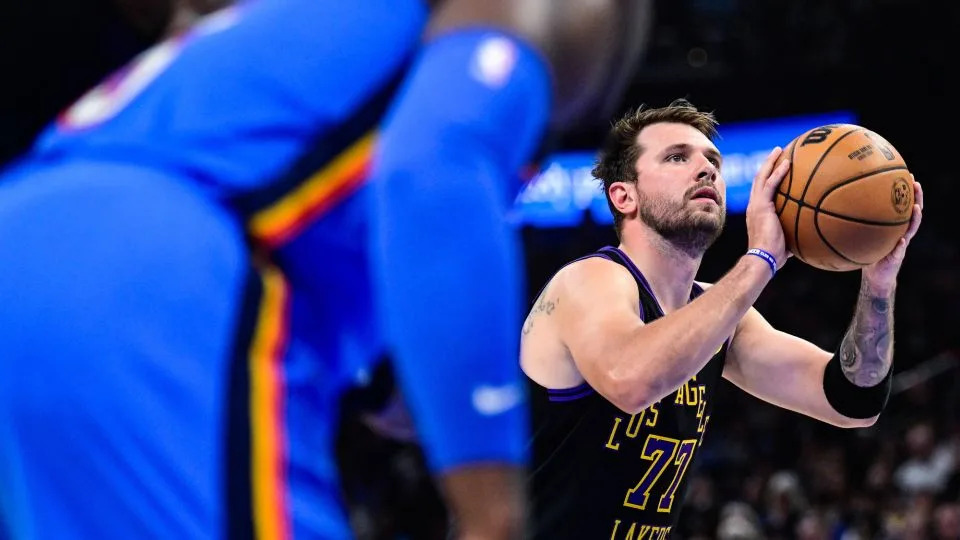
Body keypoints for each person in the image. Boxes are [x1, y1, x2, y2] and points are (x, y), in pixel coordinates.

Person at [0, 1, 651, 539]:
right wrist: (492, 512)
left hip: (38, 236)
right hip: (154, 262)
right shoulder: (564, 11)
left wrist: (377, 378)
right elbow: (433, 170)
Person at [519, 99, 924, 538]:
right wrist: (761, 259)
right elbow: (630, 380)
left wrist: (878, 286)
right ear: (624, 195)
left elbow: (852, 401)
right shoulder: (590, 280)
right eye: (677, 157)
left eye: (712, 159)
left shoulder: (723, 317)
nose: (706, 168)